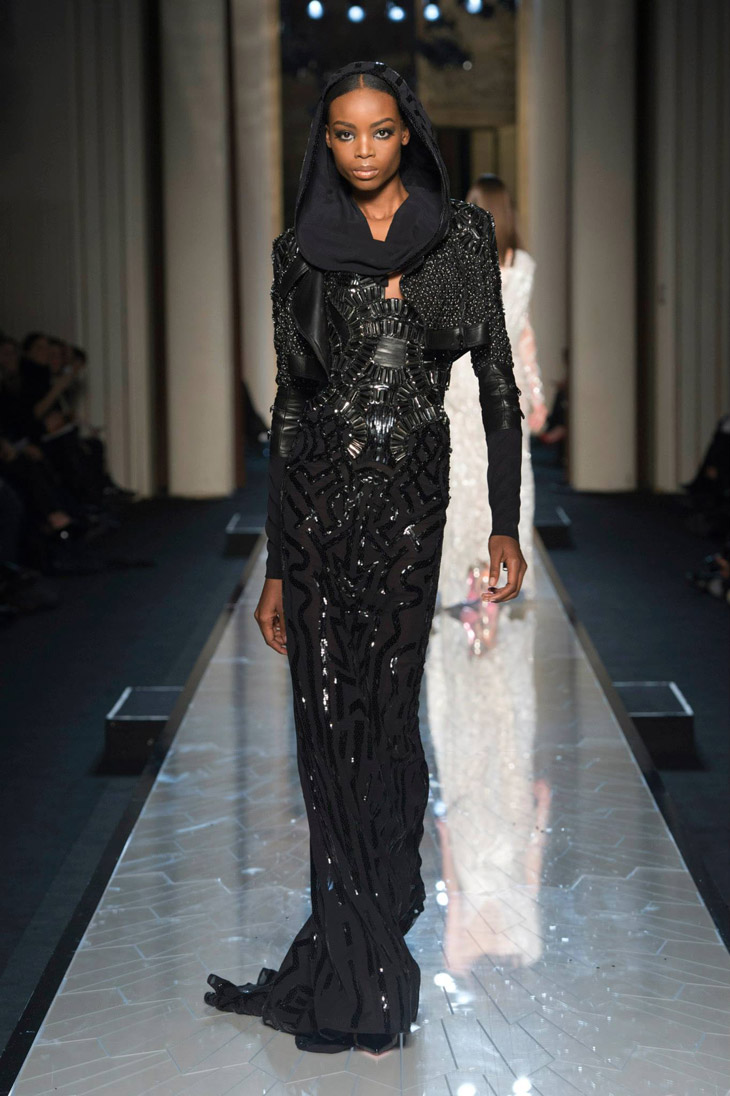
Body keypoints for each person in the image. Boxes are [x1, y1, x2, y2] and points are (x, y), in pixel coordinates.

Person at [204, 60, 525, 1056]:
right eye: (343, 134)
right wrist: (275, 563)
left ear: (407, 132)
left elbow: (497, 385)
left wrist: (506, 520)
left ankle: (374, 925)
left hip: (410, 510)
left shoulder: (458, 236)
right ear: (325, 141)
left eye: (379, 131)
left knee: (382, 729)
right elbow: (292, 410)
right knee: (324, 737)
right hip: (315, 516)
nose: (362, 151)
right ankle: (355, 968)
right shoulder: (298, 250)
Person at [438, 173, 546, 610]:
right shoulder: (523, 267)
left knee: (461, 478)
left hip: (462, 380)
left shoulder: (457, 263)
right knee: (503, 471)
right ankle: (498, 575)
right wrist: (536, 395)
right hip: (504, 381)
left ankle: (461, 582)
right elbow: (524, 339)